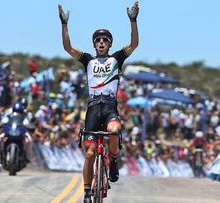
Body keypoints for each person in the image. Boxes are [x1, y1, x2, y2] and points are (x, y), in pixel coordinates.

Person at [58, 1, 139, 202]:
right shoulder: (88, 60)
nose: (101, 42)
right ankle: (87, 192)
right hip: (93, 108)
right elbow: (68, 48)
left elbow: (134, 44)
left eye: (105, 40)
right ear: (94, 44)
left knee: (113, 131)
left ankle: (112, 161)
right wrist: (64, 24)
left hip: (110, 107)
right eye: (98, 40)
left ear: (109, 44)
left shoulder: (117, 59)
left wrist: (133, 20)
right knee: (90, 153)